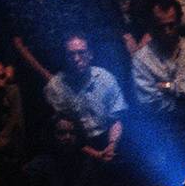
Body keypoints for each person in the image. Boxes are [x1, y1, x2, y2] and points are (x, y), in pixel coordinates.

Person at [42, 33, 126, 162]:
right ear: (65, 57)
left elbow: (116, 118)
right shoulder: (55, 87)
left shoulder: (105, 78)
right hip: (75, 145)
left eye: (81, 52)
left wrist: (112, 145)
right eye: (71, 54)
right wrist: (95, 154)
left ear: (90, 54)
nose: (76, 58)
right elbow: (61, 132)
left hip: (109, 137)